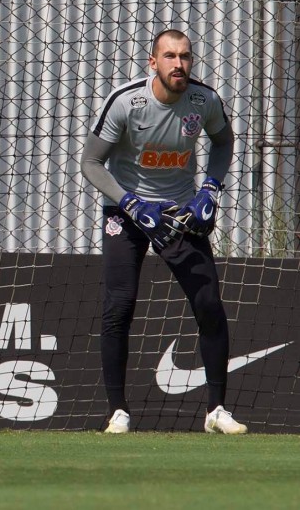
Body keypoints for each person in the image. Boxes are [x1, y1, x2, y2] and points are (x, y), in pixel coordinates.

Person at [80, 29, 246, 434]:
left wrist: (210, 188)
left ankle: (216, 411)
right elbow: (90, 163)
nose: (178, 64)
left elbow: (223, 143)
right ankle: (117, 412)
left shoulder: (204, 100)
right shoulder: (125, 102)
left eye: (185, 57)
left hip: (177, 214)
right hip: (126, 212)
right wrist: (132, 203)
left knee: (208, 303)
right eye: (169, 56)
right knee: (119, 305)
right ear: (152, 62)